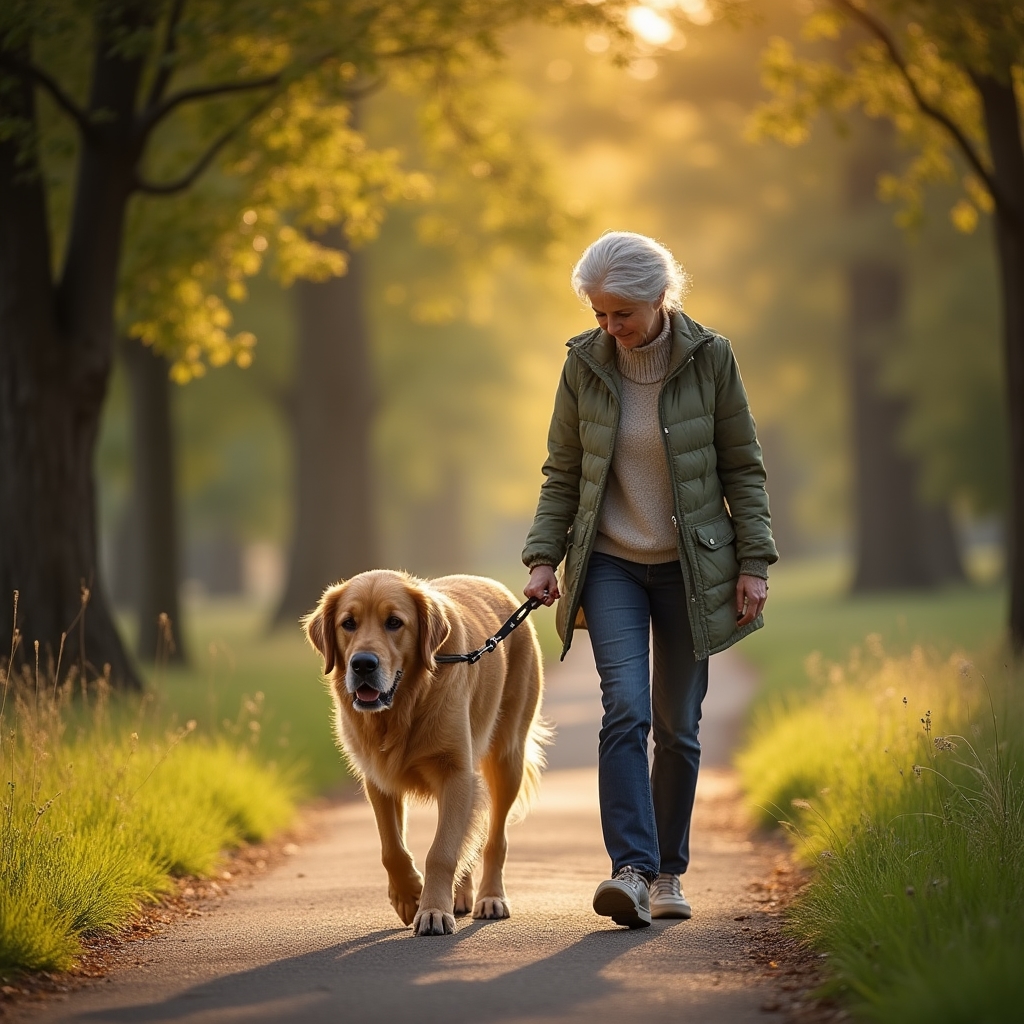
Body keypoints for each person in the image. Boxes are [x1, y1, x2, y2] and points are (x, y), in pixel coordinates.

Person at [522, 231, 777, 927]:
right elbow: (563, 472)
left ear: (659, 298)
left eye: (621, 314)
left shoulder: (711, 358)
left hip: (690, 567)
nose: (609, 328)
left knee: (679, 726)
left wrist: (754, 563)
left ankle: (669, 873)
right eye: (600, 314)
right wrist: (543, 558)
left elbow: (742, 469)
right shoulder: (583, 365)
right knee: (625, 710)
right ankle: (630, 870)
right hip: (609, 564)